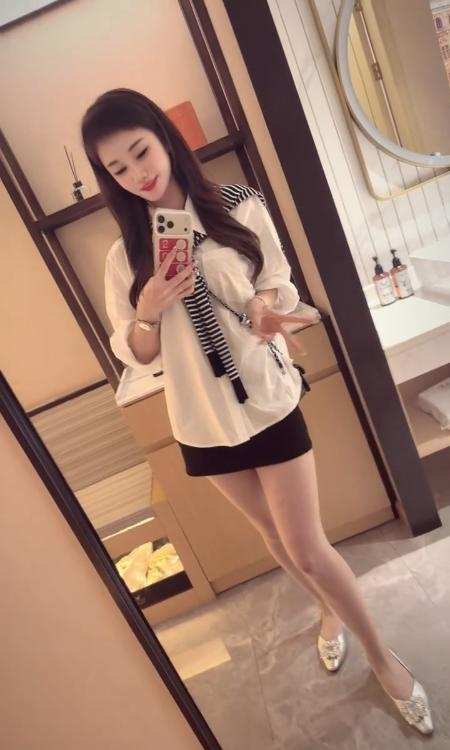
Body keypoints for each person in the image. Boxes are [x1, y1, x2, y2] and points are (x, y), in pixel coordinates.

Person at [81, 88, 433, 735]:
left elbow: (277, 279)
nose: (137, 173)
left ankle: (384, 660)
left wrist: (266, 308)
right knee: (273, 538)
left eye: (140, 151)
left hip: (264, 400)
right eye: (118, 167)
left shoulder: (236, 204)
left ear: (163, 138)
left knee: (307, 545)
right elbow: (135, 352)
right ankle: (327, 612)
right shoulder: (125, 255)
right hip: (201, 421)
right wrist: (149, 308)